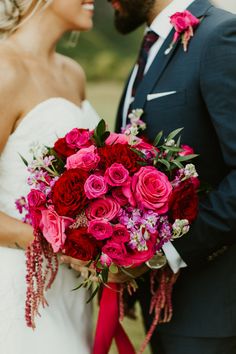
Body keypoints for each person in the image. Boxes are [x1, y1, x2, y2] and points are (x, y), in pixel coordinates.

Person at [108, 0, 236, 353]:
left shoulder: (219, 36)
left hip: (212, 307)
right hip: (160, 310)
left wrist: (167, 252)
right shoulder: (151, 45)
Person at [0, 0, 98, 353]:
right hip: (20, 284)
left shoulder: (73, 73)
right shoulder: (4, 70)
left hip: (73, 292)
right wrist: (64, 243)